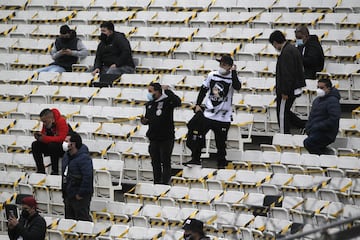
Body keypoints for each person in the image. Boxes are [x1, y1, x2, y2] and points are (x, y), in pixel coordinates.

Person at [185, 54, 241, 169]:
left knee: (220, 142)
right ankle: (196, 158)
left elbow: (237, 86)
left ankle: (221, 163)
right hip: (209, 113)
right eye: (220, 64)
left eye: (224, 64)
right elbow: (203, 90)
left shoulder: (232, 77)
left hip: (223, 116)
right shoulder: (212, 75)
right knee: (198, 135)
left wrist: (234, 72)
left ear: (230, 66)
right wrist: (198, 104)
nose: (221, 66)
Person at [140, 82, 181, 184]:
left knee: (165, 161)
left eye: (151, 91)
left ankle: (165, 182)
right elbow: (149, 119)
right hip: (153, 138)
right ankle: (156, 182)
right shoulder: (149, 104)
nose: (149, 94)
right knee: (155, 162)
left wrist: (168, 91)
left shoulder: (167, 101)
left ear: (158, 92)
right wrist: (144, 121)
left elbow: (178, 102)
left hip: (166, 138)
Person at [269, 30, 306, 134]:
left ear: (276, 42)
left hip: (287, 90)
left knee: (282, 114)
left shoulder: (287, 52)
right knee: (285, 112)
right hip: (291, 88)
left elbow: (287, 74)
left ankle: (284, 135)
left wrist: (284, 91)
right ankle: (303, 125)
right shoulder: (291, 49)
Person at [304, 79, 341, 155]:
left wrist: (317, 126)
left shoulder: (333, 100)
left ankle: (324, 159)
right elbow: (311, 116)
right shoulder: (316, 100)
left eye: (321, 88)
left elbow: (334, 118)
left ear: (328, 88)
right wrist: (308, 127)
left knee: (308, 143)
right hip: (315, 131)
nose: (319, 90)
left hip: (327, 133)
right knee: (310, 143)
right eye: (318, 87)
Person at [62, 132, 93, 221]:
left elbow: (87, 177)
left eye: (66, 141)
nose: (64, 143)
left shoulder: (84, 158)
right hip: (68, 195)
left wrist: (80, 194)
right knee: (69, 221)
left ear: (73, 144)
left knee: (82, 220)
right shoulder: (66, 156)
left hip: (79, 197)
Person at [32, 108, 69, 175]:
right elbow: (44, 135)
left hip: (63, 148)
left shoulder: (61, 121)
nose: (44, 124)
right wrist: (39, 137)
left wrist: (45, 138)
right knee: (35, 145)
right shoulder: (47, 123)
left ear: (50, 118)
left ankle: (55, 171)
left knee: (52, 145)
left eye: (45, 121)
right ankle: (40, 170)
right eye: (43, 122)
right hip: (51, 146)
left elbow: (61, 138)